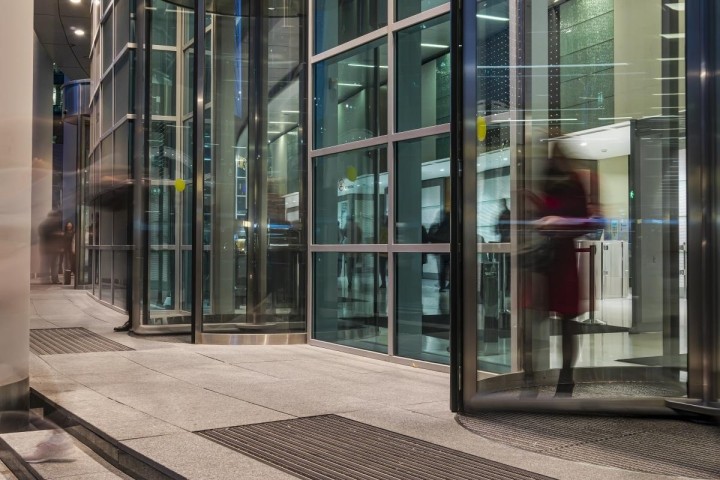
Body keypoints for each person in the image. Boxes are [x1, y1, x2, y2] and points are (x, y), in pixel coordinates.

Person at [534, 147, 596, 397]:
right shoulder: (544, 181)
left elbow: (586, 221)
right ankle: (535, 376)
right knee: (540, 317)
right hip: (543, 258)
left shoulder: (572, 183)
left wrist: (559, 224)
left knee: (567, 321)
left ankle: (566, 377)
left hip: (560, 259)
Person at [38, 210, 63, 284]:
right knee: (47, 265)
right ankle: (46, 280)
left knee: (53, 265)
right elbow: (45, 236)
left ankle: (53, 279)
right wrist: (56, 234)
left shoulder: (51, 225)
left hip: (52, 248)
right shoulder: (45, 225)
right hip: (48, 248)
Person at [428, 209, 450, 292]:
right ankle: (446, 285)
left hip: (441, 251)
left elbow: (430, 237)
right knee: (448, 269)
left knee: (442, 270)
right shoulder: (450, 226)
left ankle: (442, 286)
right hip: (448, 251)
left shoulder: (438, 226)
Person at [342, 216, 363, 289]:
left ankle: (350, 281)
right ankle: (352, 280)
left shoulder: (347, 226)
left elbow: (343, 234)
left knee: (348, 268)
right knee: (353, 267)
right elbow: (360, 238)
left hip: (349, 251)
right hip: (356, 252)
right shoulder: (358, 227)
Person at [378, 216, 388, 288]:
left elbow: (380, 240)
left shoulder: (383, 229)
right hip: (390, 252)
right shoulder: (391, 229)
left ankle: (384, 283)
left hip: (383, 252)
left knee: (382, 269)